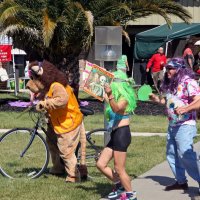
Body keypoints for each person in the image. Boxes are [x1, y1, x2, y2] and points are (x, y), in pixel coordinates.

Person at [150, 57, 200, 194]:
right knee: (172, 154)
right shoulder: (171, 85)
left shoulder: (189, 83)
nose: (168, 71)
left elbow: (199, 101)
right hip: (173, 125)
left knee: (185, 154)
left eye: (171, 68)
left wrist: (186, 108)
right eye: (167, 68)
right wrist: (157, 99)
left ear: (179, 69)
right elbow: (169, 102)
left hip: (185, 124)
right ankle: (181, 181)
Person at [96, 70, 137, 200]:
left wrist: (110, 95)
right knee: (101, 164)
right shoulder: (115, 96)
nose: (111, 84)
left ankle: (131, 194)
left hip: (122, 134)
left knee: (119, 169)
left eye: (113, 81)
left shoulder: (125, 98)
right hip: (115, 134)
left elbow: (117, 109)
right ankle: (119, 186)